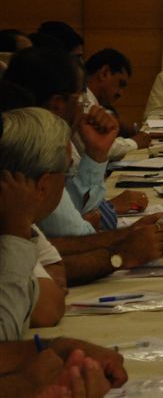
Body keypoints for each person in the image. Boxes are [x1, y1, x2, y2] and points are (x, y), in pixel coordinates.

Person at [2, 49, 163, 285]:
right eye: (81, 98)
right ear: (58, 104)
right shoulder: (31, 152)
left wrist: (97, 154)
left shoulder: (45, 140)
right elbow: (70, 242)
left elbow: (70, 226)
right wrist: (121, 249)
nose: (86, 107)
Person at [0, 108, 73, 338]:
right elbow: (46, 310)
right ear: (43, 185)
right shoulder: (13, 220)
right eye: (67, 173)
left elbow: (57, 274)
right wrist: (17, 230)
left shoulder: (17, 214)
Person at [83, 49, 151, 160]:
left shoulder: (94, 102)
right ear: (104, 73)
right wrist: (135, 143)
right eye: (120, 84)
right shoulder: (83, 100)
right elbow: (100, 147)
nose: (120, 93)